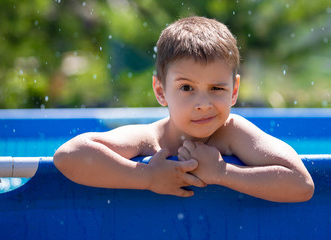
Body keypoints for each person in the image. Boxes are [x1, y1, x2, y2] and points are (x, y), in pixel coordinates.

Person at [53, 16, 314, 202]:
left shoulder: (233, 133)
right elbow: (68, 156)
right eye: (187, 88)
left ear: (234, 91)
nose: (203, 103)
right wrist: (147, 177)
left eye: (216, 88)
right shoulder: (151, 139)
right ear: (160, 91)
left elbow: (301, 185)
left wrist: (224, 173)